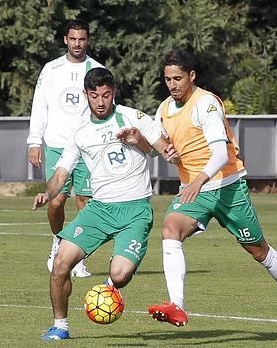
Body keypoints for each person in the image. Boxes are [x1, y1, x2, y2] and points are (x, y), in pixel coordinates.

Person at [146, 49, 277, 333]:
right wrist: (148, 144)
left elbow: (220, 153)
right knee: (170, 228)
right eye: (168, 79)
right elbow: (161, 146)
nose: (172, 84)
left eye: (178, 78)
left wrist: (198, 180)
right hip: (194, 192)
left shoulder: (205, 104)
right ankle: (177, 305)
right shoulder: (164, 109)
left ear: (191, 76)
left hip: (227, 186)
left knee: (257, 250)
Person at [33, 67, 178, 341]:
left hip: (135, 210)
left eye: (106, 95)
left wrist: (142, 141)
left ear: (114, 93)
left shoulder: (133, 117)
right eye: (95, 96)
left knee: (120, 275)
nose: (101, 102)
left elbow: (165, 150)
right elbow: (61, 175)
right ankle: (60, 326)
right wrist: (47, 193)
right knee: (61, 263)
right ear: (86, 96)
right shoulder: (80, 132)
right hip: (98, 211)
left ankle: (109, 287)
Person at [27, 19, 104, 277]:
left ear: (88, 40)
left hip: (87, 147)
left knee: (86, 203)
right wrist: (34, 141)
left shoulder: (97, 69)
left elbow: (106, 107)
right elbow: (40, 105)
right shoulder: (51, 69)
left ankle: (78, 255)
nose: (77, 44)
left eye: (82, 39)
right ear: (65, 40)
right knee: (56, 201)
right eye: (73, 39)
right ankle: (58, 243)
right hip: (58, 145)